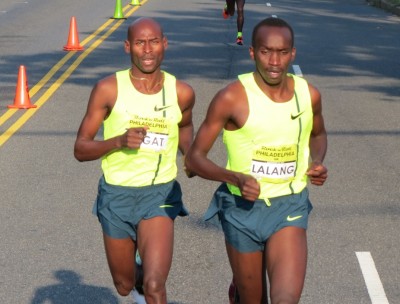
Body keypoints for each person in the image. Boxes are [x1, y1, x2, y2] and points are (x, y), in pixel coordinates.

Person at [185, 17, 328, 304]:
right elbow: (192, 161)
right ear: (252, 52)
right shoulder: (231, 98)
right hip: (241, 211)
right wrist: (235, 178)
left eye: (282, 52)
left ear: (293, 53)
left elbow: (319, 133)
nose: (274, 61)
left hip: (289, 205)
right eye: (265, 51)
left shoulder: (308, 95)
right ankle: (240, 290)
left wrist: (318, 161)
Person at [74, 17, 195, 304]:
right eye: (140, 43)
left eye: (154, 41)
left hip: (160, 193)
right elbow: (80, 148)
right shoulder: (108, 89)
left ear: (165, 44)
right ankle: (138, 273)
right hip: (117, 194)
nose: (148, 49)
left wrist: (190, 155)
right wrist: (118, 141)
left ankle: (149, 276)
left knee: (155, 285)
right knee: (125, 284)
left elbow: (185, 126)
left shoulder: (181, 92)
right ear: (128, 46)